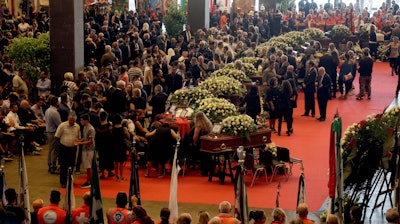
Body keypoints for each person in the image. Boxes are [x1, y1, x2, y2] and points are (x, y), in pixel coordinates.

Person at [55, 111, 81, 188]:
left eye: (74, 120)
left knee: (71, 165)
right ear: (68, 119)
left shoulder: (77, 127)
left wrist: (77, 142)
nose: (72, 122)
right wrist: (61, 144)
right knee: (63, 165)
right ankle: (63, 182)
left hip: (73, 149)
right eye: (71, 120)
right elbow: (56, 136)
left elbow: (79, 137)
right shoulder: (62, 126)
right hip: (63, 148)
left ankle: (69, 180)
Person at [75, 113, 95, 188]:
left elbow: (91, 141)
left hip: (89, 150)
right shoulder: (85, 127)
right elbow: (85, 137)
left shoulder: (91, 129)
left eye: (82, 120)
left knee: (88, 166)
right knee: (87, 166)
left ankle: (89, 181)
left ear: (86, 120)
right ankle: (89, 180)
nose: (81, 121)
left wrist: (80, 143)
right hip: (85, 149)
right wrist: (79, 140)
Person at [192, 111, 213, 176]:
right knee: (208, 157)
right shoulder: (208, 124)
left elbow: (195, 136)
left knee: (203, 158)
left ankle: (204, 172)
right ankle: (210, 169)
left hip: (201, 143)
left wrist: (194, 143)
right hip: (208, 142)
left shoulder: (198, 126)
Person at [45, 96, 61, 174]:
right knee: (54, 150)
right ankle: (53, 166)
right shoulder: (54, 112)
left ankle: (50, 164)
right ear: (56, 103)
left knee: (51, 150)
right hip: (53, 132)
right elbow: (59, 124)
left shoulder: (48, 110)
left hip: (48, 131)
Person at [96, 111, 115, 179]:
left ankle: (103, 173)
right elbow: (111, 135)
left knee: (101, 158)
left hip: (101, 145)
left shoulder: (98, 126)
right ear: (106, 117)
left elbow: (97, 136)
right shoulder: (109, 125)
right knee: (109, 158)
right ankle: (110, 172)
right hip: (108, 145)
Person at [112, 114, 130, 181]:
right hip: (121, 146)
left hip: (114, 146)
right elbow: (128, 137)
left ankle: (116, 176)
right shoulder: (124, 129)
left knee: (116, 162)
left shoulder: (112, 129)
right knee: (121, 162)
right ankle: (121, 176)